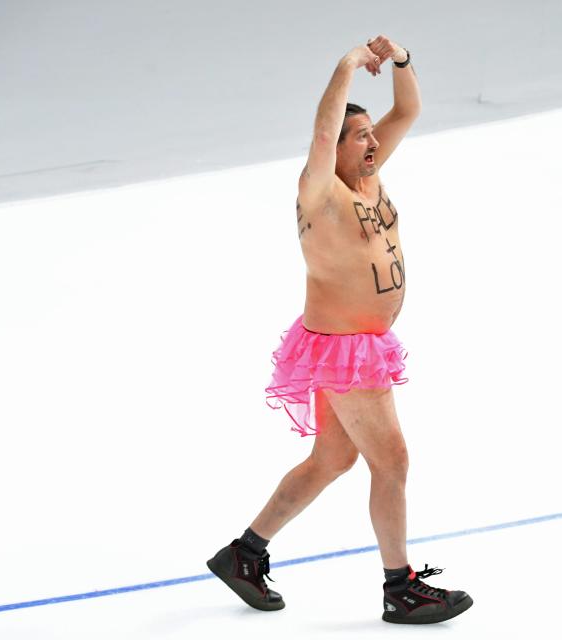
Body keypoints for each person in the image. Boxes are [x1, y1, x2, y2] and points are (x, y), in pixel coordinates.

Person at [207, 35, 473, 625]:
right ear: (337, 148)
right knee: (393, 462)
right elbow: (325, 135)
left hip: (360, 345)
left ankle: (244, 554)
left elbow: (408, 111)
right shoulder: (320, 192)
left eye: (372, 136)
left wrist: (400, 60)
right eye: (361, 136)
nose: (374, 141)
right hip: (345, 351)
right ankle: (399, 588)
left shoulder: (369, 176)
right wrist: (348, 65)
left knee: (332, 459)